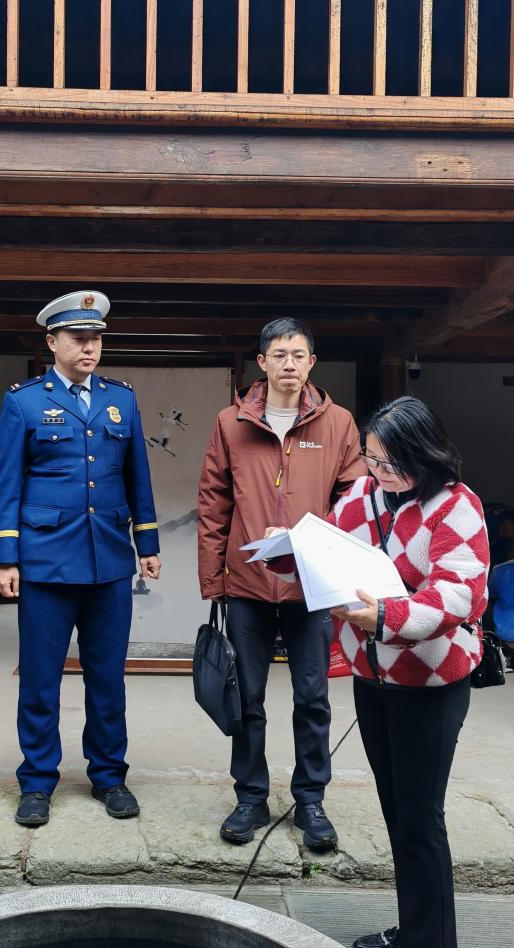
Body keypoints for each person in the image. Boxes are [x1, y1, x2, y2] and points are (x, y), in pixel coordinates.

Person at [272, 396, 489, 948]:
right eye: (372, 459)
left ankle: (430, 939)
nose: (381, 471)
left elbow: (459, 594)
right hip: (373, 677)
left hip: (430, 682)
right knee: (397, 813)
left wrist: (388, 616)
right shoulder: (361, 496)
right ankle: (416, 929)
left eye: (393, 462)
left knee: (420, 819)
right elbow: (329, 551)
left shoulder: (456, 505)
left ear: (426, 453)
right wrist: (291, 558)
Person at [0, 290, 161, 828]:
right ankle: (37, 781)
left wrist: (147, 543)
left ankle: (109, 776)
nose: (89, 348)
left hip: (108, 559)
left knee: (107, 678)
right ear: (52, 342)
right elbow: (7, 482)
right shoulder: (23, 402)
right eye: (78, 339)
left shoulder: (121, 400)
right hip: (44, 562)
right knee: (40, 680)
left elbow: (137, 476)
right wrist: (6, 557)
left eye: (96, 339)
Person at [196, 317, 364, 848]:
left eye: (298, 355)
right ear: (262, 363)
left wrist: (315, 548)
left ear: (311, 362)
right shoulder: (231, 422)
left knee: (312, 697)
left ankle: (310, 799)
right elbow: (213, 502)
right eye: (278, 355)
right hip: (246, 582)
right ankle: (250, 797)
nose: (288, 364)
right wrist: (213, 579)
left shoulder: (338, 423)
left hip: (309, 585)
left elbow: (353, 502)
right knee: (246, 696)